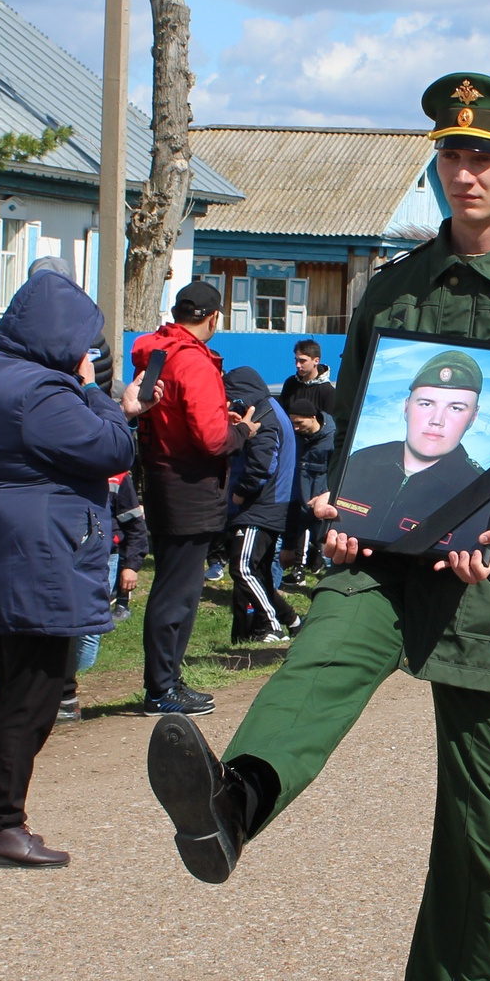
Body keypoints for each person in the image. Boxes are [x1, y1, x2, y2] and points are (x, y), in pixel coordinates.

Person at [142, 71, 490, 981]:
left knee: (474, 819)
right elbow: (362, 429)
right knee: (317, 663)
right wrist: (338, 499)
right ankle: (233, 806)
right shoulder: (394, 291)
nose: (466, 172)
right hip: (388, 561)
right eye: (453, 155)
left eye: (486, 157)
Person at [0, 262, 137, 863]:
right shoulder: (41, 392)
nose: (89, 352)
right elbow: (113, 447)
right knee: (35, 691)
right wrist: (97, 393)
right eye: (83, 341)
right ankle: (1, 821)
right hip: (37, 559)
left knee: (18, 687)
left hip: (15, 553)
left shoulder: (0, 376)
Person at [129, 279, 255, 716]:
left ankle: (165, 682)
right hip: (191, 484)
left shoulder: (157, 351)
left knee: (172, 583)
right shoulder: (194, 362)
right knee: (178, 592)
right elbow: (210, 438)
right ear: (213, 317)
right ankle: (162, 687)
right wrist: (241, 430)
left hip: (161, 476)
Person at [329, 350, 490, 547]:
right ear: (406, 407)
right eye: (426, 403)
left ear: (473, 418)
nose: (437, 420)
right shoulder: (362, 461)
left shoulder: (479, 490)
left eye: (455, 408)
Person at [224, 365, 300, 644]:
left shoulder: (265, 416)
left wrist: (239, 494)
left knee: (242, 568)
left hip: (261, 506)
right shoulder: (272, 409)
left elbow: (262, 464)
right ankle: (292, 620)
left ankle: (270, 625)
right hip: (273, 504)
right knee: (260, 573)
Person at [281, 340, 337, 581]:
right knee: (296, 510)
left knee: (312, 511)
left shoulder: (327, 392)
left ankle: (315, 561)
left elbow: (331, 427)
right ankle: (304, 559)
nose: (298, 365)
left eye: (302, 360)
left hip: (317, 459)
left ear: (316, 361)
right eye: (296, 360)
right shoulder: (290, 385)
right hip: (293, 454)